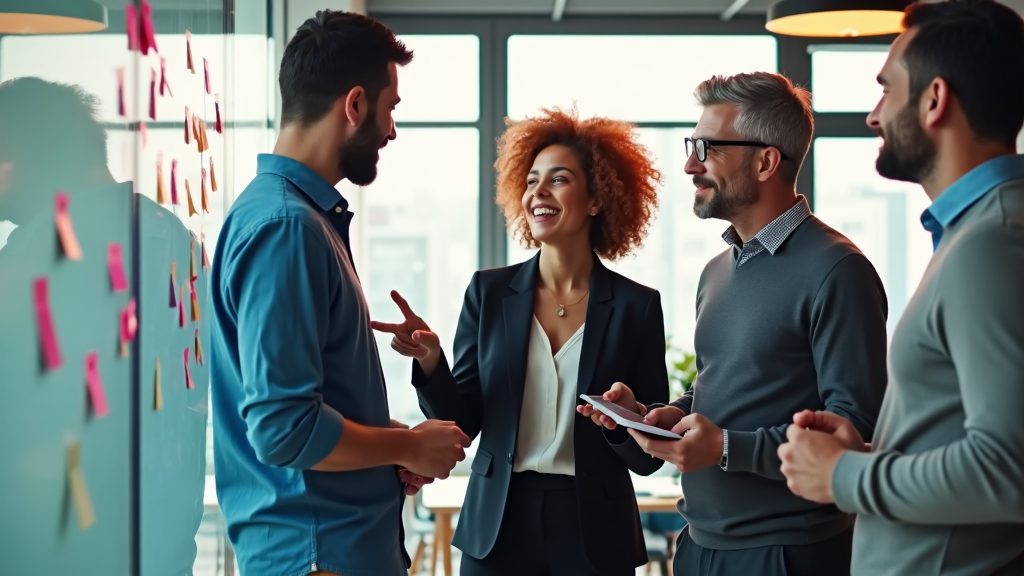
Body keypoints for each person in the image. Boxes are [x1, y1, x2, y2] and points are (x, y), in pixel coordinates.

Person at [584, 72, 889, 576]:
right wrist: (658, 414)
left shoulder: (838, 270)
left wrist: (726, 448)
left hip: (789, 553)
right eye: (691, 144)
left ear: (766, 160)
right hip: (699, 546)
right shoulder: (717, 271)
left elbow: (857, 429)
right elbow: (719, 390)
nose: (689, 164)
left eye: (707, 147)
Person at [208, 11, 472, 576]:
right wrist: (403, 449)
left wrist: (398, 440)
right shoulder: (287, 228)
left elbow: (305, 409)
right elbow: (285, 429)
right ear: (354, 105)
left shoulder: (293, 217)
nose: (393, 130)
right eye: (390, 109)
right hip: (318, 556)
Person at [778, 1, 1024, 574]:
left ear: (935, 100)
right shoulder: (977, 234)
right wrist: (873, 453)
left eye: (887, 89)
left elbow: (1009, 470)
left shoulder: (993, 243)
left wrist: (843, 475)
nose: (873, 115)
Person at [372, 107, 669, 576]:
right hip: (499, 523)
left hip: (595, 530)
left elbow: (649, 455)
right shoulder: (488, 293)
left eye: (559, 179)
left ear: (597, 198)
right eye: (531, 181)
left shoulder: (638, 306)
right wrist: (431, 361)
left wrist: (626, 420)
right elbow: (463, 422)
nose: (538, 193)